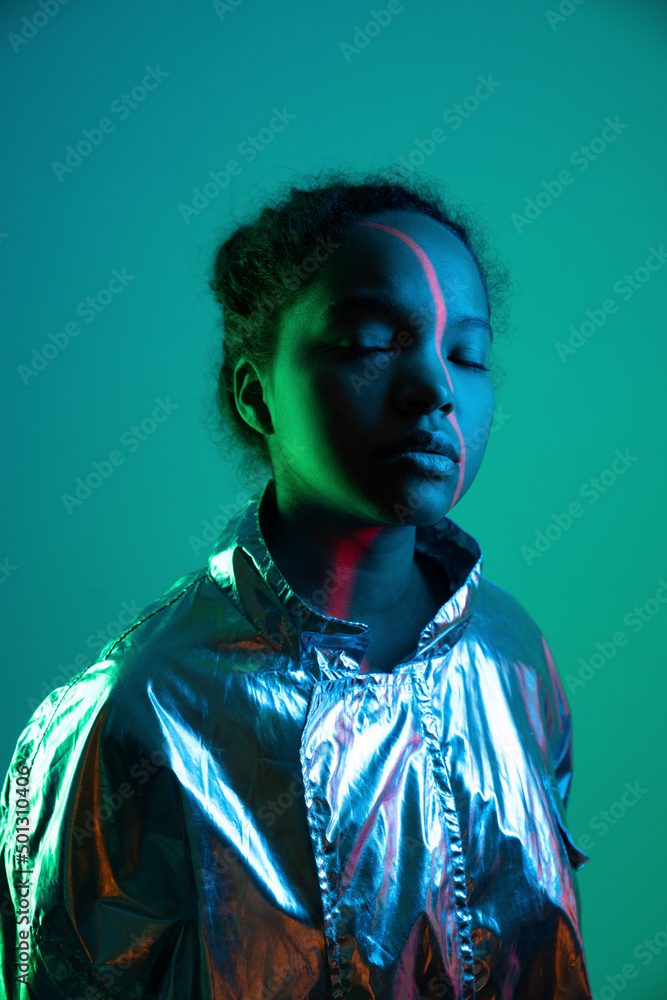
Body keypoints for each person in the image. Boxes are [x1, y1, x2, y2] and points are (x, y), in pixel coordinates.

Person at [0, 170, 593, 998]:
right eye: (367, 343)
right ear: (255, 395)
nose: (434, 388)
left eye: (467, 353)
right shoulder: (132, 715)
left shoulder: (515, 658)